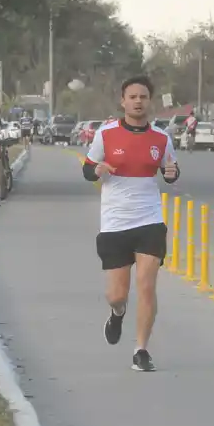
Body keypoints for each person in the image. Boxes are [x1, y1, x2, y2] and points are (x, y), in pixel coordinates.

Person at [82, 75, 180, 372]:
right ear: (123, 101)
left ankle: (141, 350)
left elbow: (170, 170)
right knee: (117, 295)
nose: (138, 101)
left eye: (143, 97)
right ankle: (117, 313)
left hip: (150, 220)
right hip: (115, 223)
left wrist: (172, 173)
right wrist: (97, 169)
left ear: (150, 102)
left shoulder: (161, 138)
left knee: (147, 286)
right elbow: (88, 170)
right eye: (133, 97)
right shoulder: (106, 134)